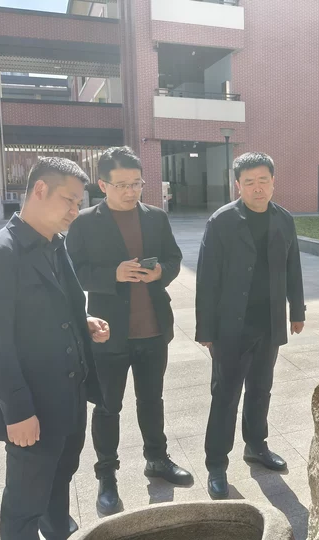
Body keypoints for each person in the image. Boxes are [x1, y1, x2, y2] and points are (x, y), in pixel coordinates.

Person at [0, 157, 110, 540]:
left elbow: (58, 304)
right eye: (69, 200)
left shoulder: (55, 244)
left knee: (61, 476)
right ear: (40, 190)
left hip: (70, 394)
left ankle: (57, 528)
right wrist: (18, 412)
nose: (75, 210)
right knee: (25, 501)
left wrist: (83, 321)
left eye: (79, 203)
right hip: (33, 405)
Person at [66, 146, 192, 516]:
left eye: (136, 183)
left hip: (153, 328)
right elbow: (72, 273)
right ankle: (107, 475)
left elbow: (174, 258)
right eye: (122, 185)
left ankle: (157, 459)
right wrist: (113, 275)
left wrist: (162, 272)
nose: (131, 191)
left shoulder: (156, 217)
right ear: (103, 184)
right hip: (109, 332)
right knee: (108, 406)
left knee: (152, 400)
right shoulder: (85, 222)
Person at [195, 152, 306, 500]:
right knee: (225, 395)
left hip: (269, 323)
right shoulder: (222, 222)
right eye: (249, 182)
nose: (257, 188)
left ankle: (256, 446)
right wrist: (206, 330)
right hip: (231, 326)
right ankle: (216, 464)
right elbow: (206, 280)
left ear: (273, 182)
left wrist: (297, 310)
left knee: (261, 389)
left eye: (263, 181)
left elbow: (293, 267)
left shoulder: (283, 220)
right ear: (238, 185)